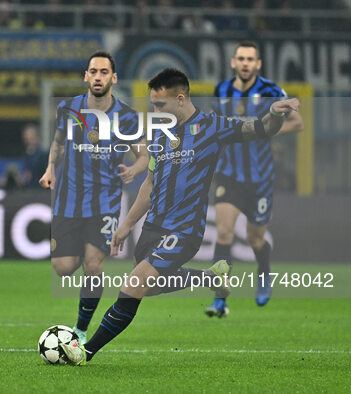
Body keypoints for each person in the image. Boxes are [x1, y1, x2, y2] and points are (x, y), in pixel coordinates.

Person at [60, 68, 300, 365]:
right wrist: (126, 225)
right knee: (148, 286)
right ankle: (209, 278)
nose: (156, 111)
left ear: (181, 98)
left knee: (133, 285)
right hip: (152, 227)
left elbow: (260, 128)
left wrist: (275, 114)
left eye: (160, 105)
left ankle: (84, 351)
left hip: (184, 230)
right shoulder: (160, 136)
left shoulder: (212, 127)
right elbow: (149, 185)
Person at [39, 50, 149, 345]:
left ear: (113, 78)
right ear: (86, 76)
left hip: (105, 202)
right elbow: (58, 143)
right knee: (63, 268)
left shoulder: (125, 117)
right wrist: (50, 167)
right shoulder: (69, 108)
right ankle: (82, 274)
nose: (98, 77)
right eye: (93, 71)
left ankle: (80, 330)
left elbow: (144, 156)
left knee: (93, 265)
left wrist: (134, 170)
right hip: (68, 200)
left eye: (103, 72)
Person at [206, 41, 303, 317]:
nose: (245, 63)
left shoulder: (272, 91)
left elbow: (298, 123)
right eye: (241, 58)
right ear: (233, 63)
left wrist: (266, 130)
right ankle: (219, 298)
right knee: (224, 232)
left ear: (258, 64)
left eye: (250, 59)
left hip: (260, 178)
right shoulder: (221, 91)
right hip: (229, 173)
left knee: (255, 239)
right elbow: (216, 124)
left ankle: (264, 271)